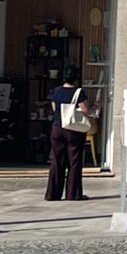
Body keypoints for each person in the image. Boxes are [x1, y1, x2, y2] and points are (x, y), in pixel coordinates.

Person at [45, 64, 92, 201]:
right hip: (73, 130)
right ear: (76, 77)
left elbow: (54, 109)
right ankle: (73, 194)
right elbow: (85, 110)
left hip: (57, 128)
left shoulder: (56, 91)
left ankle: (52, 194)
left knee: (57, 160)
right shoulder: (79, 92)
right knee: (74, 161)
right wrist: (95, 106)